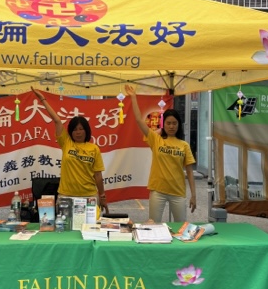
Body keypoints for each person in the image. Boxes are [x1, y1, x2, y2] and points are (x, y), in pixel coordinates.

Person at [32, 87, 109, 215]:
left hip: (89, 197)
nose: (78, 132)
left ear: (86, 130)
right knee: (64, 232)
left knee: (89, 232)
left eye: (81, 129)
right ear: (70, 132)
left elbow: (98, 176)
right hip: (66, 196)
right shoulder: (66, 143)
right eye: (74, 130)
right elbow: (56, 120)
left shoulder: (94, 148)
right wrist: (42, 100)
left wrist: (102, 197)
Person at [124, 84, 196, 223]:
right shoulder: (156, 140)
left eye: (174, 123)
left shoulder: (184, 145)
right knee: (153, 225)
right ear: (164, 125)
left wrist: (194, 195)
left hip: (178, 192)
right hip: (158, 191)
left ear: (178, 125)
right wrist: (133, 97)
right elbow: (139, 120)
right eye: (168, 123)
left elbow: (190, 172)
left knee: (181, 227)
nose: (171, 126)